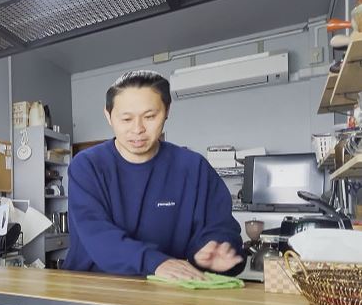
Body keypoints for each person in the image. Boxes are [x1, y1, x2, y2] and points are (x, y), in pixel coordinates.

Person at [64, 70, 244, 280]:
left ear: (167, 111)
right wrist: (154, 262)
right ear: (108, 116)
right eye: (126, 119)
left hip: (163, 287)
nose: (138, 129)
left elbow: (219, 228)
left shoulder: (193, 167)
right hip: (91, 285)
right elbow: (97, 234)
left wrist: (215, 251)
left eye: (149, 117)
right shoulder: (87, 166)